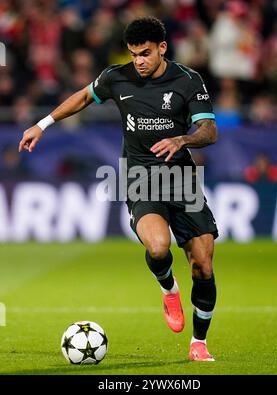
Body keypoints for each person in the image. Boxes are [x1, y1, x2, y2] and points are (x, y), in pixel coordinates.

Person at [19, 17, 218, 362]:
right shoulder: (117, 77)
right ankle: (168, 288)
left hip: (181, 178)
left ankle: (198, 342)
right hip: (140, 176)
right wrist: (42, 124)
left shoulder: (188, 80)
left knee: (203, 265)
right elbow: (83, 96)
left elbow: (209, 130)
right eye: (133, 54)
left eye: (144, 54)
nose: (138, 61)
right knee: (158, 248)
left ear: (162, 48)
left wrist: (183, 138)